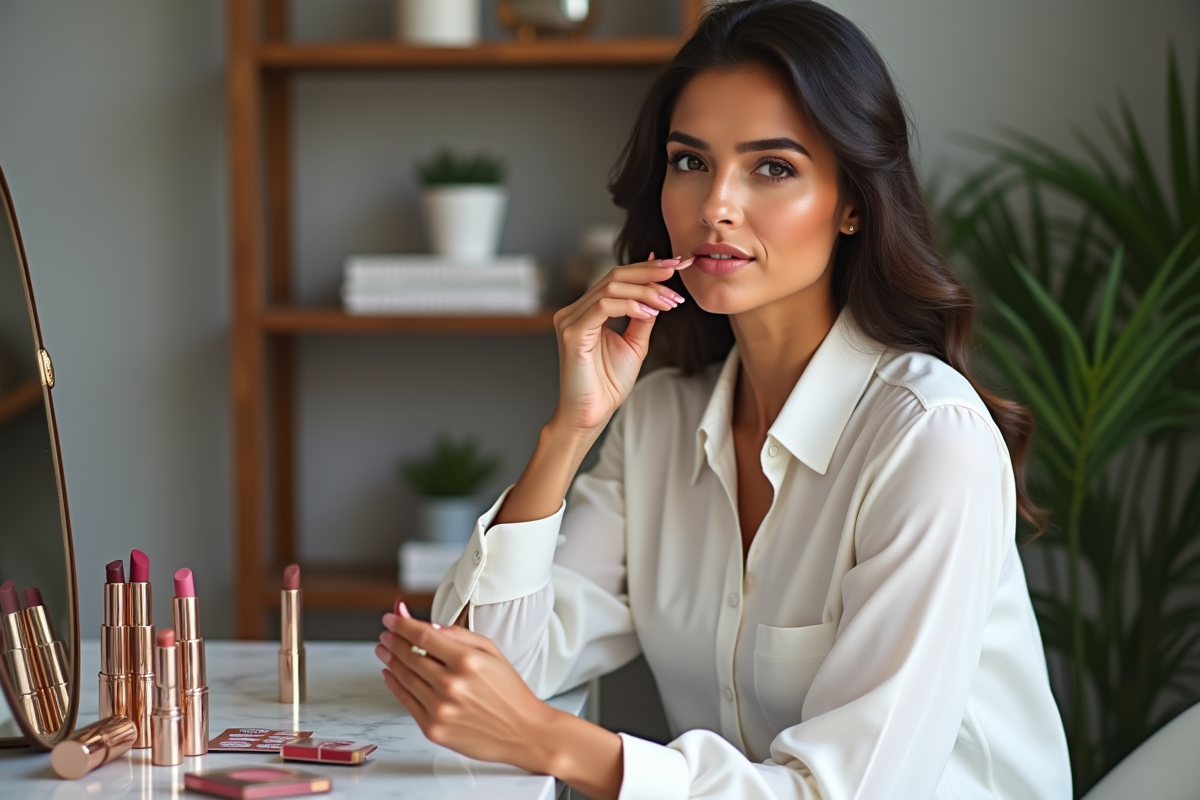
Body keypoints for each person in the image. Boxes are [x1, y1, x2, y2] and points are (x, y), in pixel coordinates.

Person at [373, 1, 1072, 797]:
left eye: (772, 167)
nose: (715, 208)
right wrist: (568, 432)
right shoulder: (663, 421)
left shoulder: (928, 440)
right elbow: (477, 670)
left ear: (852, 202)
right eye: (690, 161)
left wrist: (557, 744)